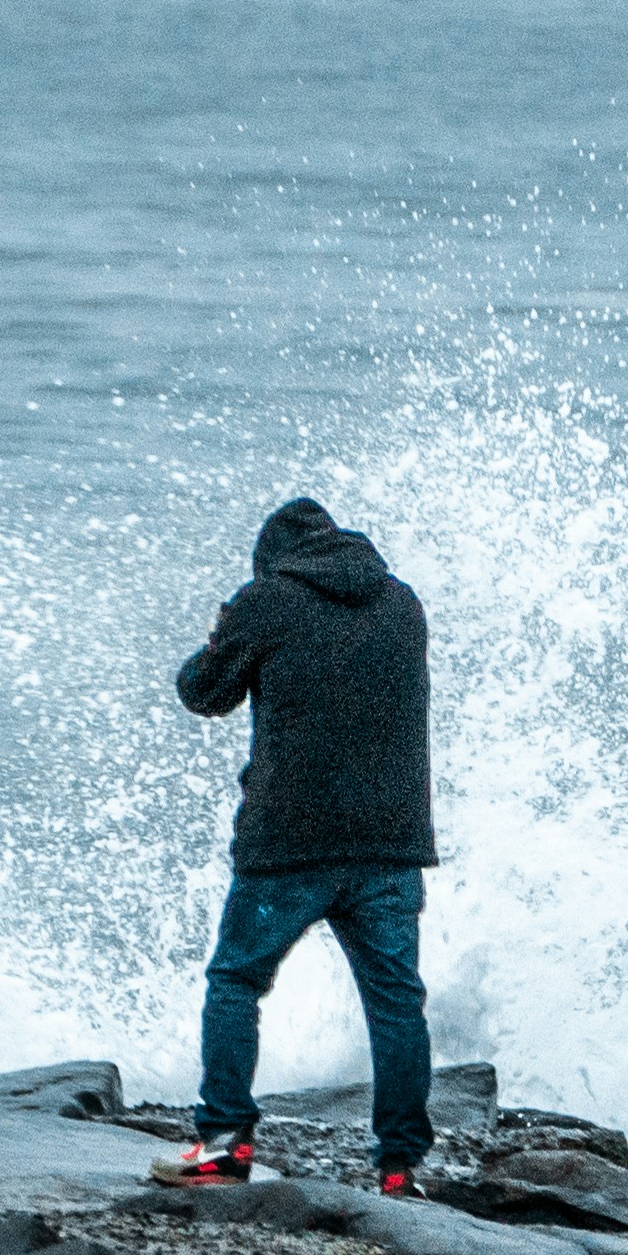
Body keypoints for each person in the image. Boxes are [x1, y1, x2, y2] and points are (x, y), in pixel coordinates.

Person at [163, 497, 437, 1197]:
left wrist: (224, 629)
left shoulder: (266, 600)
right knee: (395, 1002)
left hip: (289, 841)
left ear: (272, 559)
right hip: (389, 842)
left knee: (235, 982)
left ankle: (222, 1146)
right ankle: (401, 1169)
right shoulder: (401, 604)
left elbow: (202, 692)